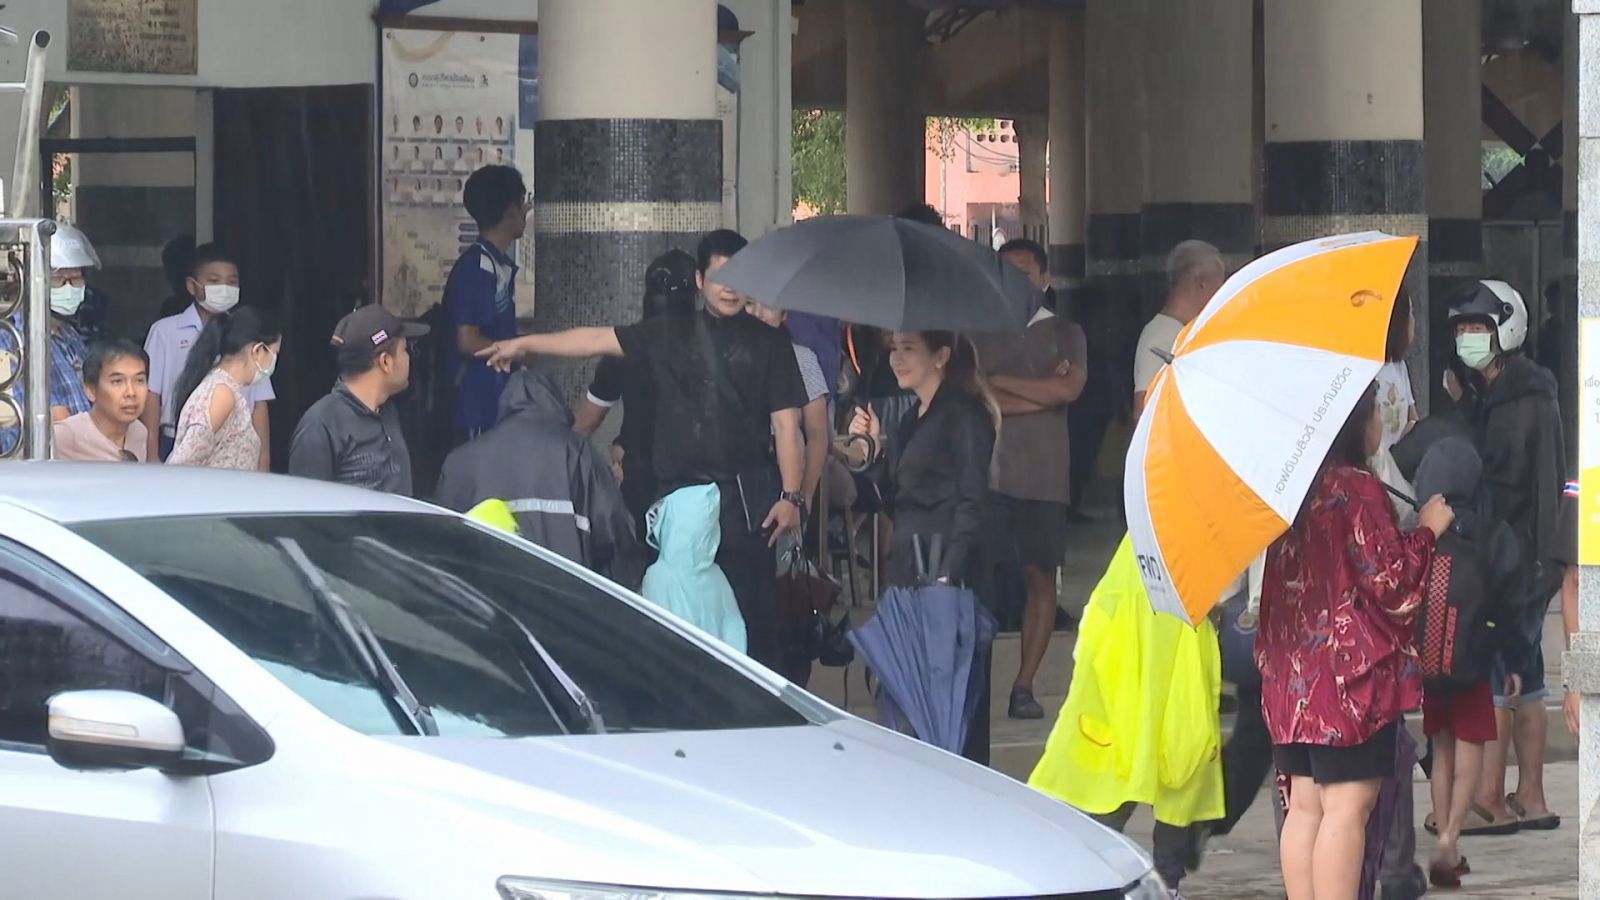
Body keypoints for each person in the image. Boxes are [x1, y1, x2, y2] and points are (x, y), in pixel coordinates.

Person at [478, 229, 807, 669]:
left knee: (753, 620)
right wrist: (525, 343)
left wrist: (791, 497)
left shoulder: (771, 344)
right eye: (719, 277)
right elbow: (593, 341)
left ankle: (758, 704)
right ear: (699, 280)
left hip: (746, 507)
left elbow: (787, 425)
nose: (729, 288)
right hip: (680, 505)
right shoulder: (666, 332)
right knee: (678, 627)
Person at [1259, 382, 1454, 900]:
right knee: (1346, 807)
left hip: (1291, 677)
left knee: (1305, 805)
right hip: (1347, 682)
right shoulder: (1356, 488)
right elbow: (1394, 583)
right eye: (1373, 415)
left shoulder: (1288, 490)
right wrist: (1427, 531)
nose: (1379, 426)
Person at [1446, 279, 1566, 835]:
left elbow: (1520, 481)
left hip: (1512, 555)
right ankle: (1533, 795)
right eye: (1463, 329)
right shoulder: (1508, 393)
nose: (1468, 338)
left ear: (1506, 331)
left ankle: (1490, 797)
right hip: (1523, 554)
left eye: (1479, 328)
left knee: (1498, 674)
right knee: (1531, 676)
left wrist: (1537, 559)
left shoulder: (1523, 400)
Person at [849, 330, 998, 762]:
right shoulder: (911, 418)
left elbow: (972, 500)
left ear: (941, 356)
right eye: (894, 349)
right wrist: (874, 452)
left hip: (948, 580)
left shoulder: (965, 414)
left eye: (909, 348)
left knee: (950, 711)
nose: (897, 358)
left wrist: (949, 573)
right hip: (908, 573)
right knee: (908, 706)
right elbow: (897, 500)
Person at [975, 237, 1087, 719]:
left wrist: (999, 385)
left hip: (1045, 477)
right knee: (983, 577)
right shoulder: (978, 331)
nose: (1013, 282)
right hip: (990, 475)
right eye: (1004, 272)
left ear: (1045, 279)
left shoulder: (1067, 333)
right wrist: (1041, 394)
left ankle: (1024, 684)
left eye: (1023, 273)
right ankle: (976, 683)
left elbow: (1069, 390)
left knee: (1041, 577)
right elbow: (977, 394)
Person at [435, 368, 636, 581]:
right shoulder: (579, 454)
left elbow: (442, 545)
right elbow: (618, 540)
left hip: (489, 596)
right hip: (567, 595)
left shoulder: (461, 459)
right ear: (555, 401)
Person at [574, 249, 699, 537]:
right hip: (698, 479)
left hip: (640, 473)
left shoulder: (626, 347)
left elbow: (584, 424)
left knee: (641, 553)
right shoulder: (710, 347)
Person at [142, 244, 275, 465]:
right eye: (214, 281)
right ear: (191, 286)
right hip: (176, 439)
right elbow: (151, 395)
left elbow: (259, 403)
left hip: (237, 445)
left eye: (232, 282)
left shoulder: (249, 336)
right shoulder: (165, 332)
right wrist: (151, 454)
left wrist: (264, 464)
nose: (224, 288)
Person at [288, 305, 428, 495]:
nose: (409, 358)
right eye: (405, 350)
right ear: (385, 362)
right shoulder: (321, 426)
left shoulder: (388, 412)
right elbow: (306, 507)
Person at [0, 223, 103, 456]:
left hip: (83, 456)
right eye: (59, 280)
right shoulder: (10, 339)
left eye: (76, 279)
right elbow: (55, 419)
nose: (69, 287)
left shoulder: (69, 335)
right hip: (40, 462)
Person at [442, 165, 527, 443]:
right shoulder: (478, 266)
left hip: (494, 400)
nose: (526, 212)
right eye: (523, 203)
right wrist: (521, 352)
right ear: (512, 210)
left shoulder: (494, 263)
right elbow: (467, 341)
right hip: (476, 404)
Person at [165, 307, 282, 471]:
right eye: (274, 353)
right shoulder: (222, 394)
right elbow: (181, 466)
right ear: (257, 351)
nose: (274, 361)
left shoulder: (226, 389)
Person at [745, 299, 831, 510]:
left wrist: (805, 495)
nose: (758, 313)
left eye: (769, 305)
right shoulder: (727, 355)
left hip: (786, 477)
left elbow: (818, 435)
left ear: (784, 314)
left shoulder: (803, 359)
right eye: (749, 303)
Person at [1134, 240, 1224, 416]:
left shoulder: (1187, 331)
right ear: (1201, 283)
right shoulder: (1160, 336)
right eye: (1219, 287)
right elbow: (1145, 411)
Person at [51, 339, 150, 462]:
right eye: (117, 381)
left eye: (139, 380)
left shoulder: (140, 432)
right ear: (91, 390)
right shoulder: (66, 436)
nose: (131, 393)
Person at [1372, 288, 1420, 526]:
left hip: (1400, 468)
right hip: (1375, 470)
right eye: (1410, 313)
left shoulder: (1399, 367)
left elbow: (1413, 416)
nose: (1414, 321)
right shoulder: (1370, 368)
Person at [152, 235, 196, 324]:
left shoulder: (208, 308)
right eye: (168, 269)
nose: (168, 278)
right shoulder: (170, 307)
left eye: (172, 270)